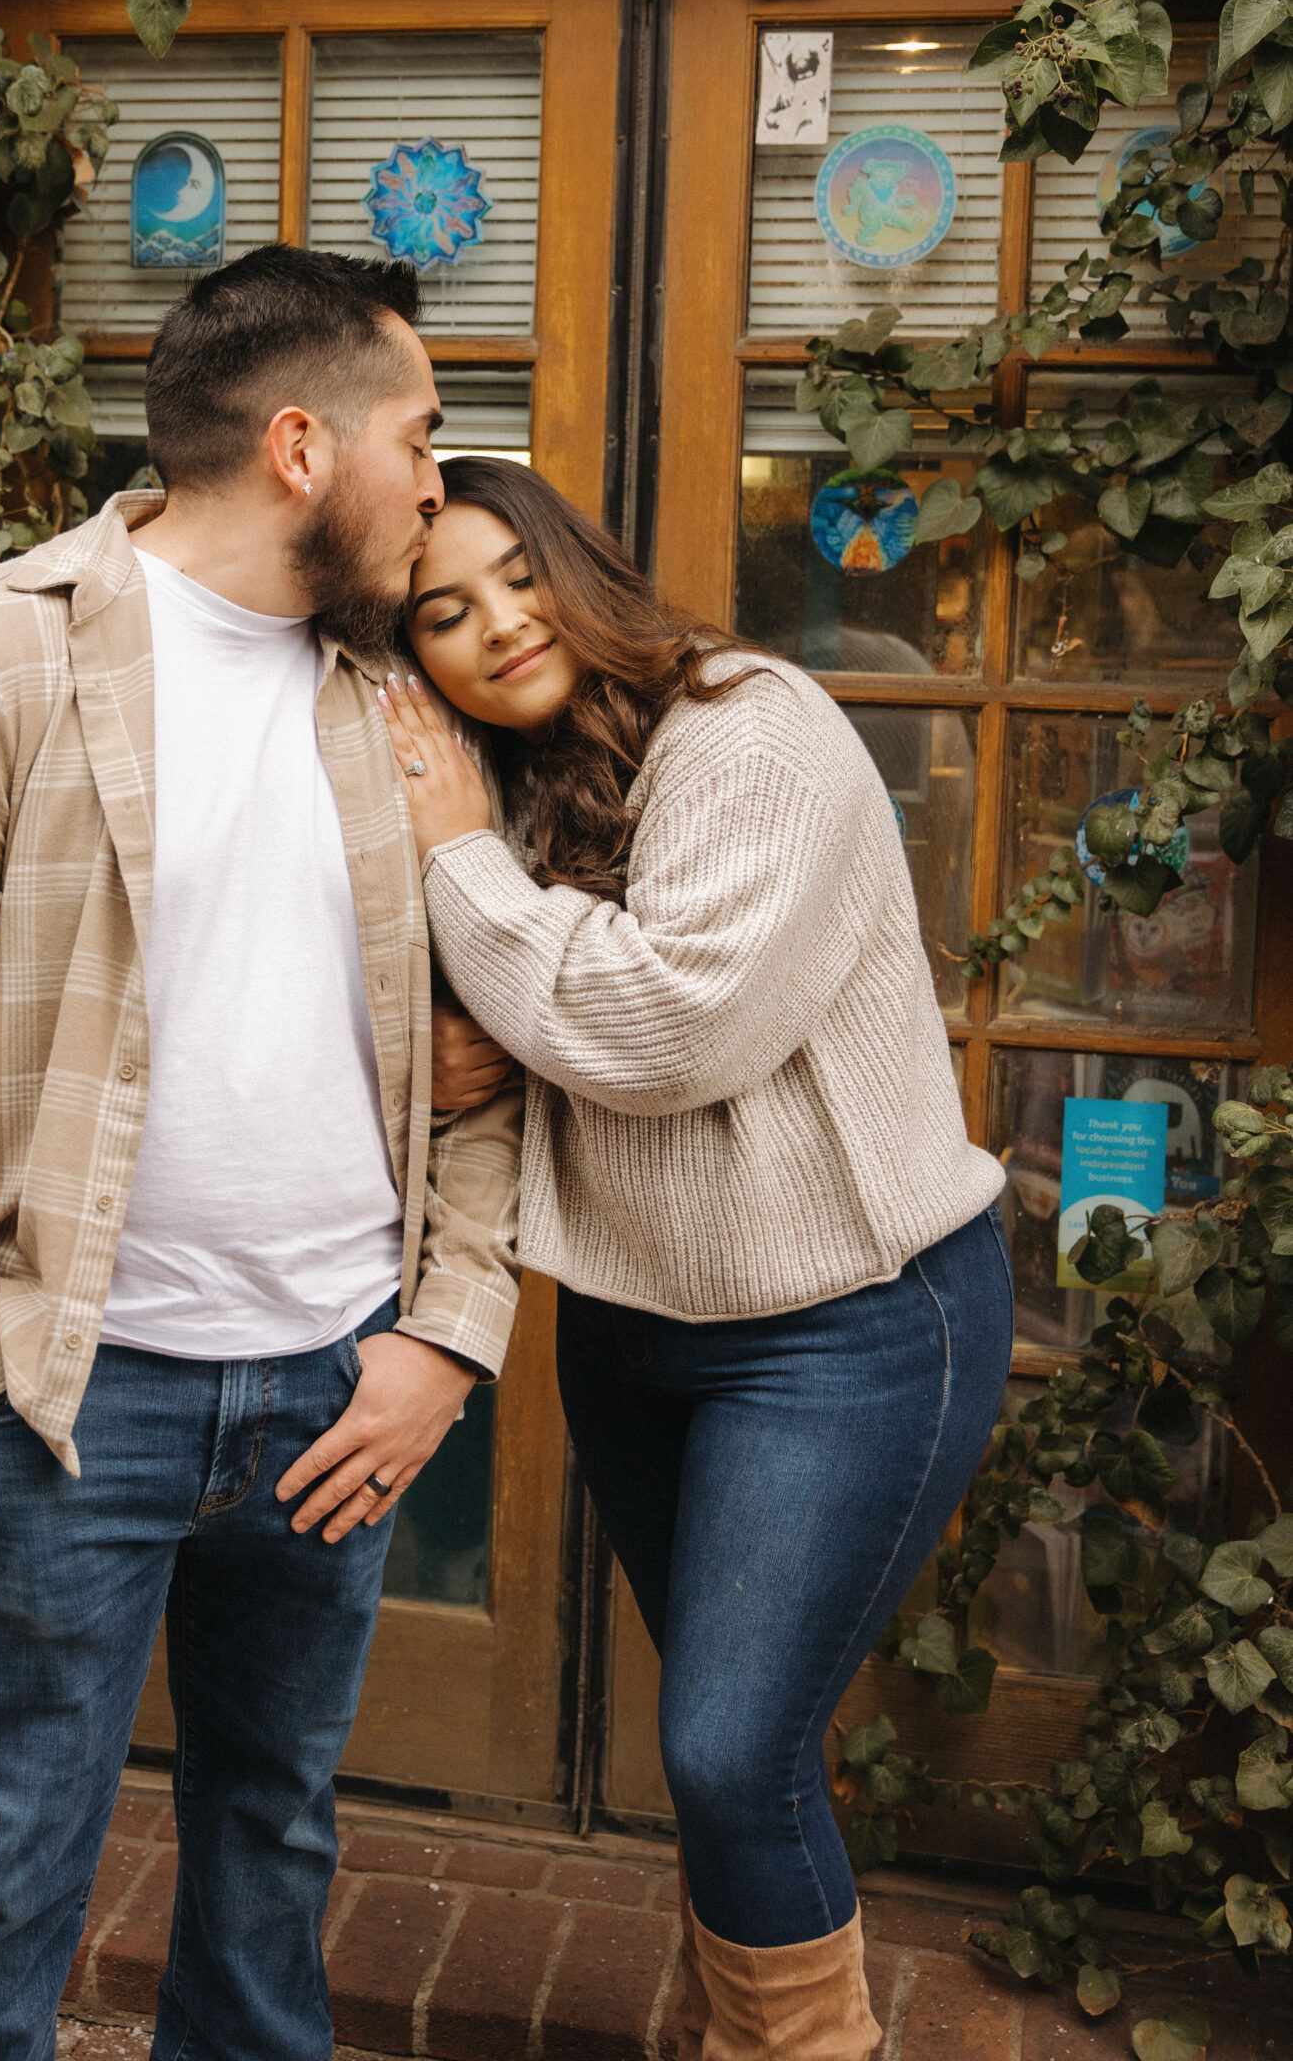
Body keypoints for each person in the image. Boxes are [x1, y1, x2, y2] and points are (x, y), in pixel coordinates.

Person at [0, 247, 523, 2061]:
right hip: (69, 1396)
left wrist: (444, 1335)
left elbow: (485, 1054)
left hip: (336, 1393)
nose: (440, 485)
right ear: (302, 445)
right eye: (420, 434)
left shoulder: (397, 691)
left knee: (274, 1847)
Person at [376, 456, 1012, 2061]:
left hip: (852, 1325)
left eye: (516, 576)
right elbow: (497, 1015)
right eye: (442, 613)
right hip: (634, 1326)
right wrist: (446, 1037)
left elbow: (669, 1025)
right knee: (735, 1748)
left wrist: (465, 880)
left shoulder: (751, 727)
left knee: (732, 1750)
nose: (496, 627)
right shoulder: (511, 786)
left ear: (580, 564)